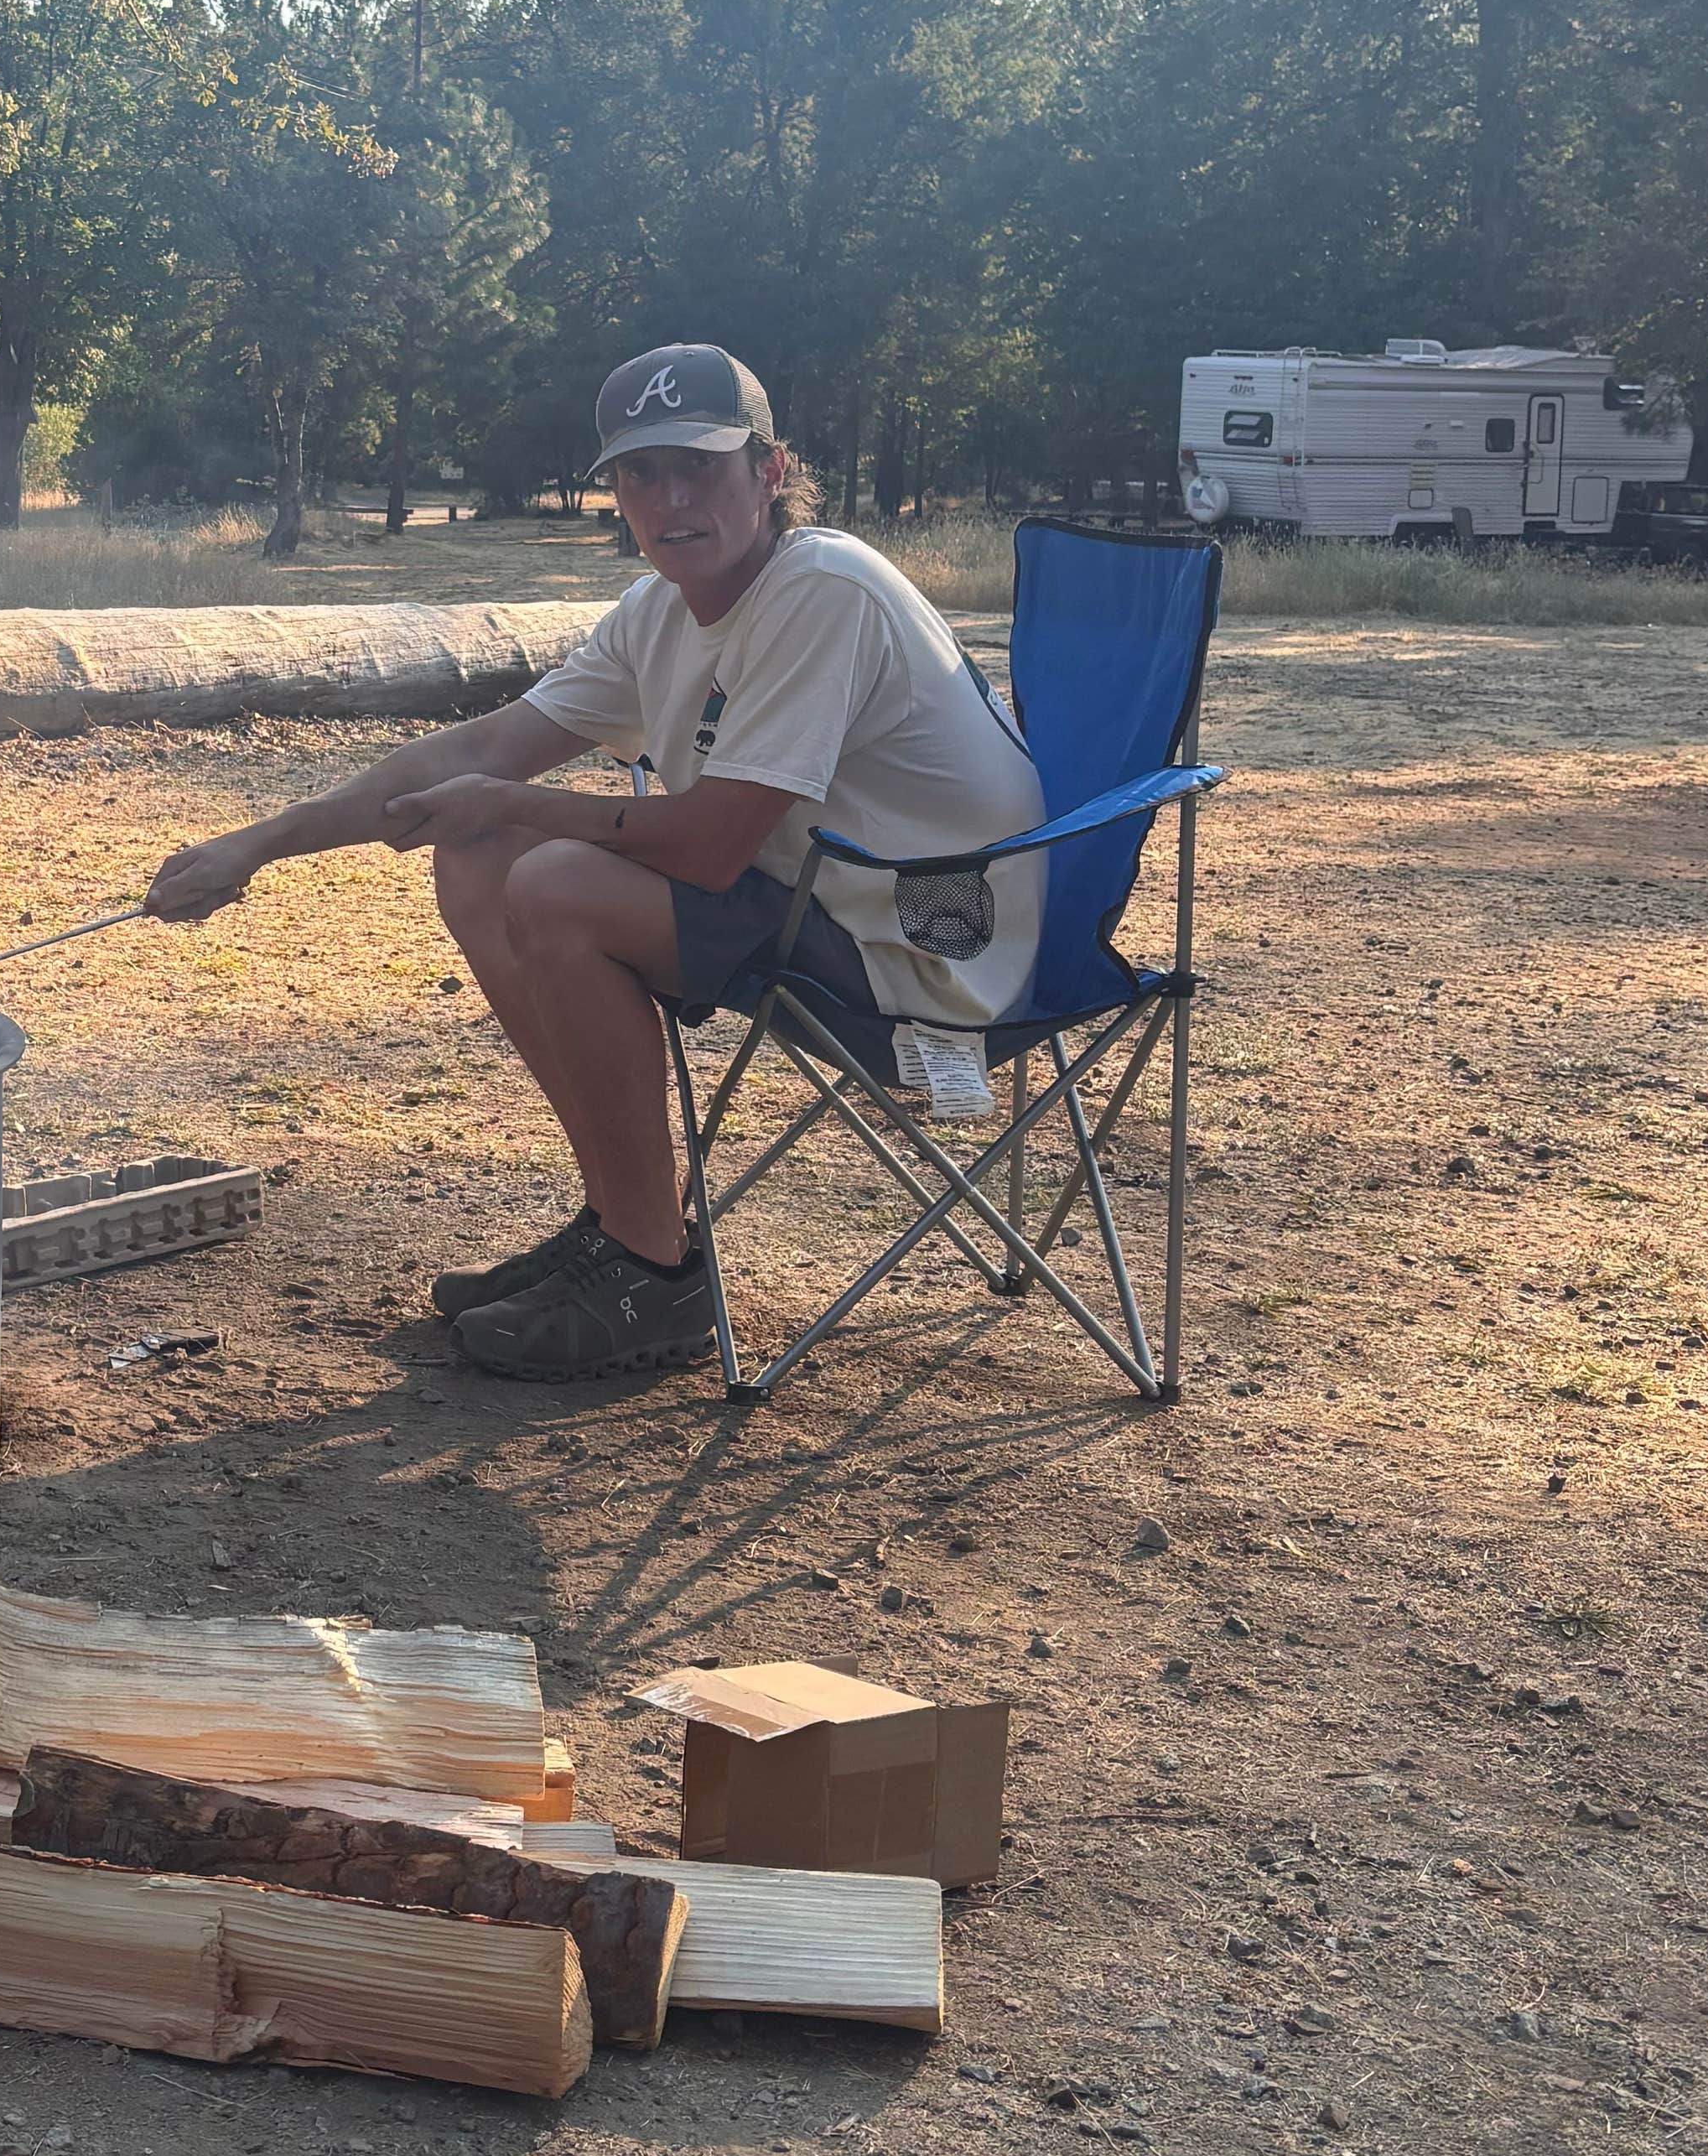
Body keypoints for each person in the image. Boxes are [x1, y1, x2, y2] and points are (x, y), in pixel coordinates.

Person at [144, 344, 1047, 1379]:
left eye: (699, 467)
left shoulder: (822, 592)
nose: (667, 499)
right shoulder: (660, 614)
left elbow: (710, 846)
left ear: (770, 471)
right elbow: (480, 752)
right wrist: (254, 844)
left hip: (927, 949)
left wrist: (514, 803)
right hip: (822, 896)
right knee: (483, 853)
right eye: (637, 473)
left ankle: (648, 1273)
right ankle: (628, 1225)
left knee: (553, 881)